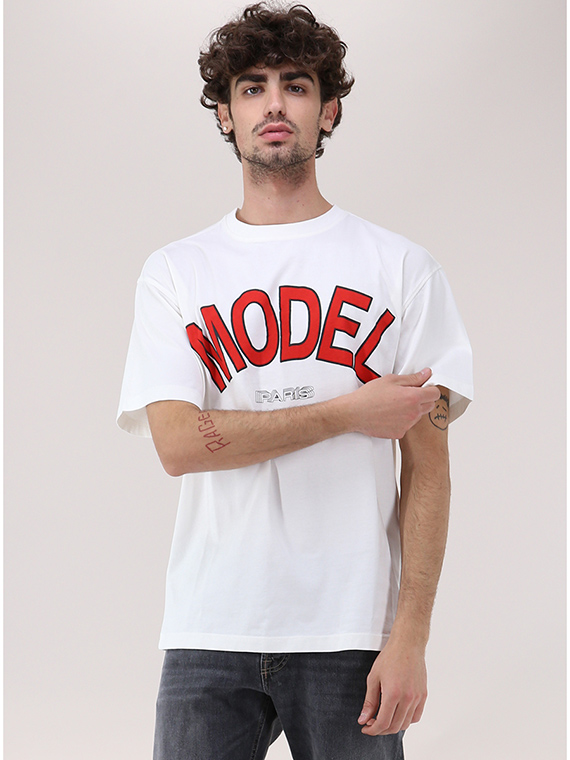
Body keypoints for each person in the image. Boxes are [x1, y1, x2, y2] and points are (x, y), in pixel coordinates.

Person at [117, 4, 473, 759]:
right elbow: (177, 445)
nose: (273, 104)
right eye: (252, 88)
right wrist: (348, 412)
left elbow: (429, 470)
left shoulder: (403, 269)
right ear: (225, 113)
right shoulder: (177, 271)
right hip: (211, 627)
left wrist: (410, 636)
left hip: (353, 631)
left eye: (296, 86)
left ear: (328, 109)